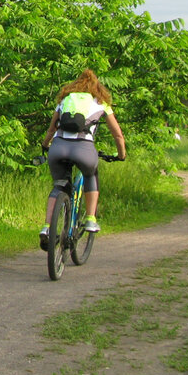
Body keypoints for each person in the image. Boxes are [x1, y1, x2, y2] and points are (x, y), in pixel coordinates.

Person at [38, 69, 127, 250]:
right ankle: (90, 219)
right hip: (84, 149)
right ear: (97, 87)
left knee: (59, 186)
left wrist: (45, 146)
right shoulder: (101, 103)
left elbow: (51, 130)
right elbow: (118, 135)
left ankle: (47, 227)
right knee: (91, 174)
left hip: (58, 148)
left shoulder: (65, 100)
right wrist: (121, 155)